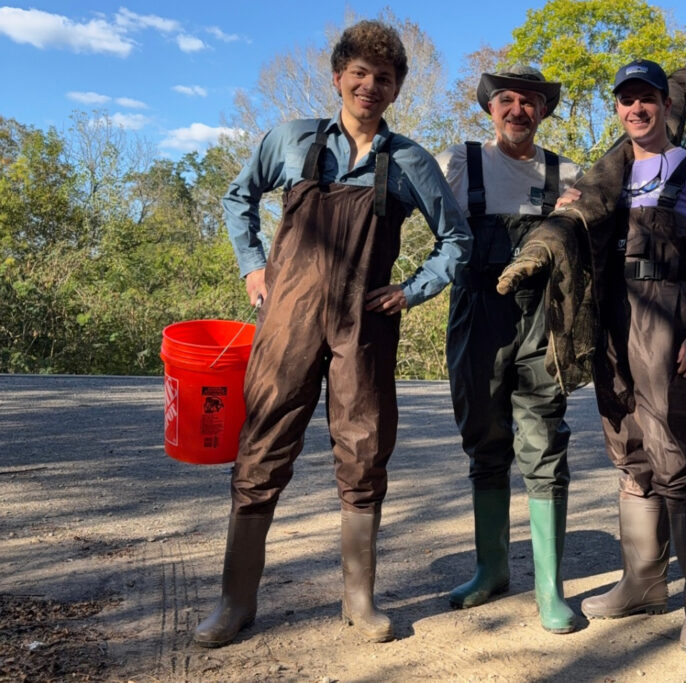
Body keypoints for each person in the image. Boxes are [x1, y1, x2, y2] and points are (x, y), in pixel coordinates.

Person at [193, 20, 472, 647]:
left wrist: (412, 289)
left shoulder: (409, 161)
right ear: (339, 76)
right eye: (361, 74)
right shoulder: (291, 141)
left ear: (397, 89)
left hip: (364, 325)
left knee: (365, 448)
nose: (370, 86)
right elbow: (238, 198)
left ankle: (359, 600)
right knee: (263, 444)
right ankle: (234, 602)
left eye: (385, 78)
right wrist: (253, 266)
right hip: (287, 318)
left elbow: (458, 240)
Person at [500, 59, 686, 655]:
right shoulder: (607, 175)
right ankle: (642, 582)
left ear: (665, 105)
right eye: (626, 100)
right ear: (618, 108)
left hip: (671, 315)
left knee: (678, 457)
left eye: (647, 99)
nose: (636, 109)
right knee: (629, 451)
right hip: (611, 318)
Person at [435, 65, 583, 634]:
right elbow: (423, 226)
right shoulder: (459, 162)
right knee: (484, 438)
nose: (518, 109)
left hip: (541, 319)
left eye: (530, 102)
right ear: (490, 109)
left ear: (543, 112)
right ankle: (490, 570)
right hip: (475, 312)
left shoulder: (565, 173)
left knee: (544, 442)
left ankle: (550, 589)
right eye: (507, 100)